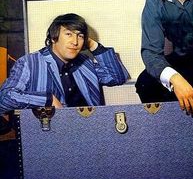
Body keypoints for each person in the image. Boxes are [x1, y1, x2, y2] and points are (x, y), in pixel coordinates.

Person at [0, 13, 129, 114]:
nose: (75, 41)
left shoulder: (85, 63)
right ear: (53, 37)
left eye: (80, 36)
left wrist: (93, 45)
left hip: (90, 129)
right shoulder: (29, 63)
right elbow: (4, 98)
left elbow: (117, 77)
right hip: (51, 135)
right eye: (68, 34)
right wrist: (47, 99)